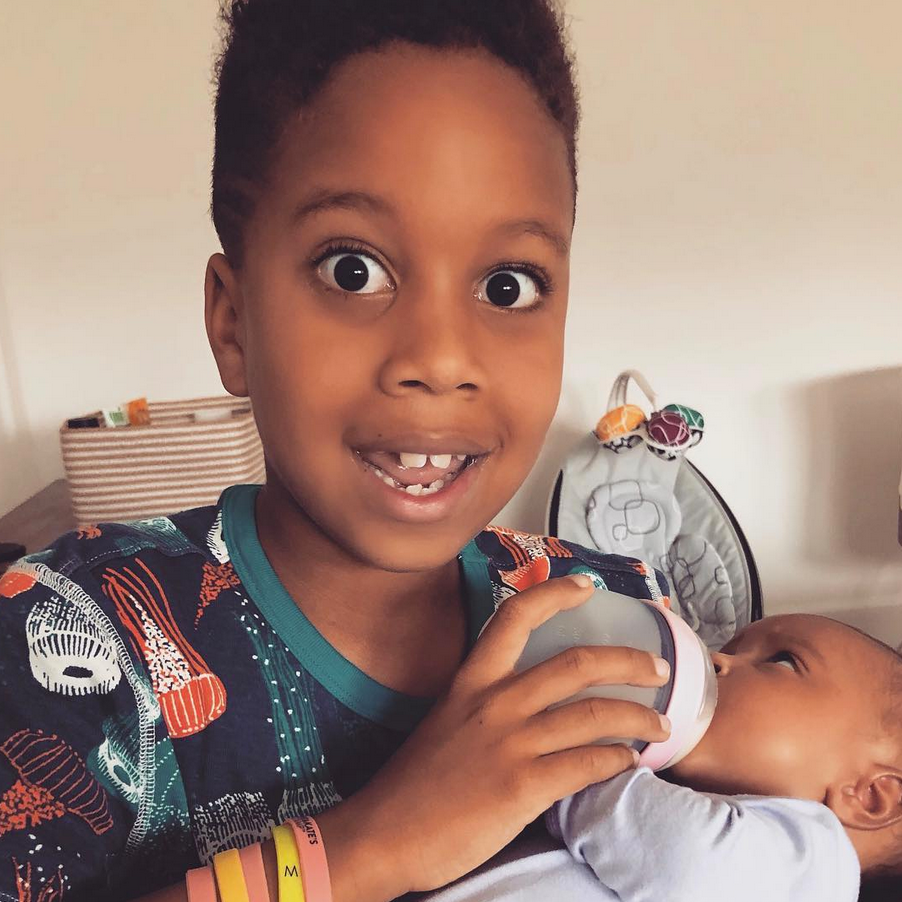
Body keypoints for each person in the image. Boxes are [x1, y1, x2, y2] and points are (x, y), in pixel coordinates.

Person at [0, 2, 672, 900]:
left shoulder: (614, 621)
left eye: (508, 285)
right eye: (353, 270)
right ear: (233, 322)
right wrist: (371, 849)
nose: (441, 358)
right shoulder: (67, 644)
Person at [404, 612, 902, 902]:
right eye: (729, 647)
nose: (717, 659)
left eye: (783, 661)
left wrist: (567, 763)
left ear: (871, 796)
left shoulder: (817, 867)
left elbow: (689, 860)